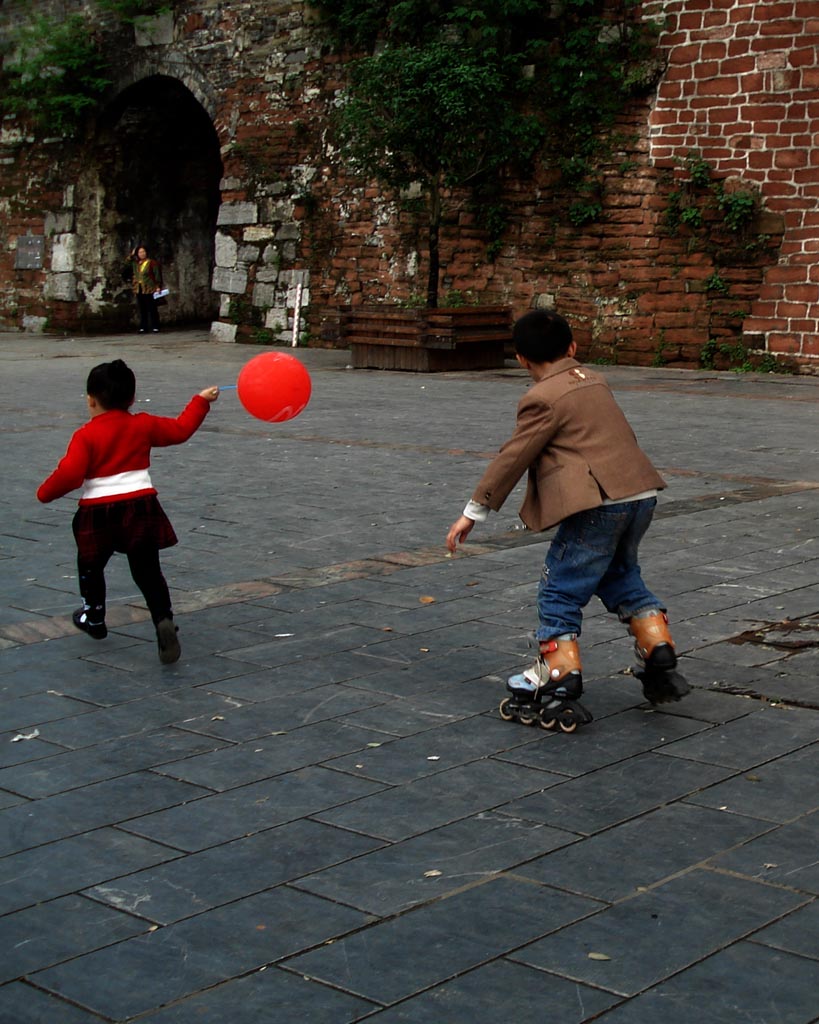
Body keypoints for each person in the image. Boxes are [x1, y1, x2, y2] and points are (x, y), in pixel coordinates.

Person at [446, 309, 689, 733]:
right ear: (573, 348)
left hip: (598, 504)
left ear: (521, 359)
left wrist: (473, 512)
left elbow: (514, 456)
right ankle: (657, 647)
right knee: (620, 575)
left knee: (559, 586)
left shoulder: (542, 398)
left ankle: (559, 678)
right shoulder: (594, 380)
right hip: (640, 495)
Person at [37, 359, 220, 664]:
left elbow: (70, 474)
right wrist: (200, 401)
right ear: (132, 399)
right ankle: (162, 619)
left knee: (91, 564)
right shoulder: (143, 424)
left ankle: (93, 618)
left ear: (90, 399)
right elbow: (180, 430)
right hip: (140, 507)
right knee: (148, 571)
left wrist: (44, 494)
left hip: (97, 512)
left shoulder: (86, 435)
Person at [128, 245, 163, 333]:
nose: (142, 254)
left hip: (149, 288)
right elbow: (127, 262)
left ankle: (155, 326)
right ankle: (143, 326)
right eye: (140, 252)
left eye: (143, 252)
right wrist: (132, 255)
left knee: (152, 308)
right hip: (139, 288)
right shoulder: (136, 264)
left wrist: (158, 286)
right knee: (142, 309)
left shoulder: (151, 263)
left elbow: (157, 275)